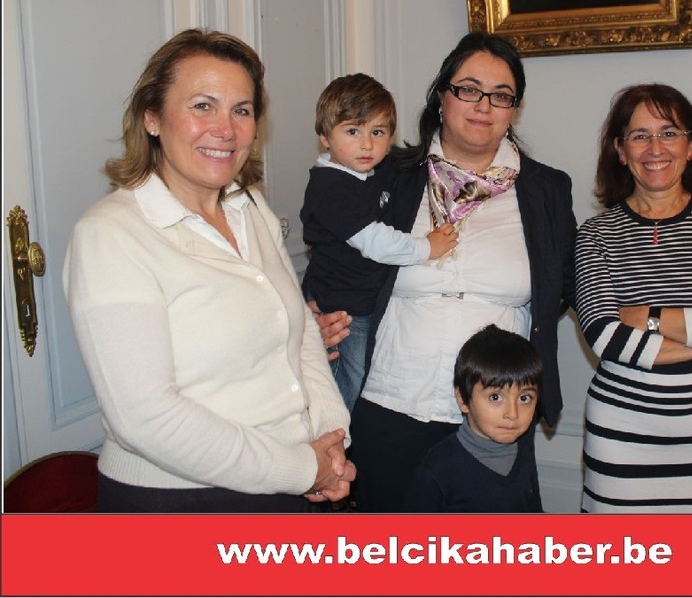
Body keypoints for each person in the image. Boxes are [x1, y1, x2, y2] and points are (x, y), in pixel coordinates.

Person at [63, 28, 356, 512]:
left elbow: (300, 329)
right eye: (203, 106)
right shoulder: (109, 235)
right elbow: (147, 419)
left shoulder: (248, 205)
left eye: (242, 110)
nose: (227, 129)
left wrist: (331, 437)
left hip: (291, 474)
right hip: (181, 500)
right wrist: (305, 468)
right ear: (151, 117)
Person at [316, 31, 577, 512]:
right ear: (442, 96)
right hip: (390, 401)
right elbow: (334, 249)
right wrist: (313, 315)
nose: (483, 105)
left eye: (501, 95)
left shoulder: (546, 189)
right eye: (469, 89)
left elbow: (561, 288)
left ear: (513, 109)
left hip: (494, 415)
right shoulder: (387, 174)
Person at [574, 82, 692, 513]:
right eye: (639, 135)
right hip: (620, 430)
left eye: (669, 133)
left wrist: (644, 316)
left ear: (691, 145)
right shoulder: (596, 234)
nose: (655, 148)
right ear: (621, 151)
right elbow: (604, 337)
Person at [300, 73, 457, 412]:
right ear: (324, 137)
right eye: (352, 131)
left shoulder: (368, 173)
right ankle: (331, 436)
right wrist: (427, 247)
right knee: (346, 384)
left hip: (360, 300)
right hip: (341, 308)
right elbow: (375, 242)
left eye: (378, 132)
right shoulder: (331, 187)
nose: (367, 144)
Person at [403, 324, 544, 513]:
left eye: (524, 398)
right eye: (495, 397)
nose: (513, 413)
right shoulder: (437, 469)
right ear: (463, 400)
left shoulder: (523, 451)